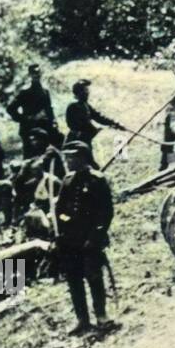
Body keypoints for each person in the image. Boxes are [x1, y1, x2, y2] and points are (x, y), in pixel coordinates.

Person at [54, 140, 117, 336]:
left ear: (83, 158)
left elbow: (106, 213)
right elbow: (60, 210)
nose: (69, 161)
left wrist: (95, 236)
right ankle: (82, 319)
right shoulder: (66, 181)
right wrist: (64, 225)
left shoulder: (97, 180)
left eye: (72, 157)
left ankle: (101, 316)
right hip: (70, 240)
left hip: (91, 239)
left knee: (94, 277)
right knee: (74, 280)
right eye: (67, 158)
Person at [64, 79, 125, 165]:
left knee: (89, 163)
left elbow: (98, 117)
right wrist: (94, 129)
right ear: (79, 92)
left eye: (87, 90)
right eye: (85, 90)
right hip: (76, 141)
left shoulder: (85, 105)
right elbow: (74, 124)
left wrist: (115, 123)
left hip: (84, 140)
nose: (87, 93)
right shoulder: (73, 106)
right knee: (84, 164)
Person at [6, 64, 60, 157]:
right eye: (34, 73)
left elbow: (49, 109)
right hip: (29, 129)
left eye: (38, 73)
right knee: (29, 157)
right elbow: (10, 109)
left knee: (46, 155)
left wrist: (53, 122)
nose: (37, 75)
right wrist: (25, 119)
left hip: (44, 128)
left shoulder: (45, 91)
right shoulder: (24, 92)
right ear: (30, 75)